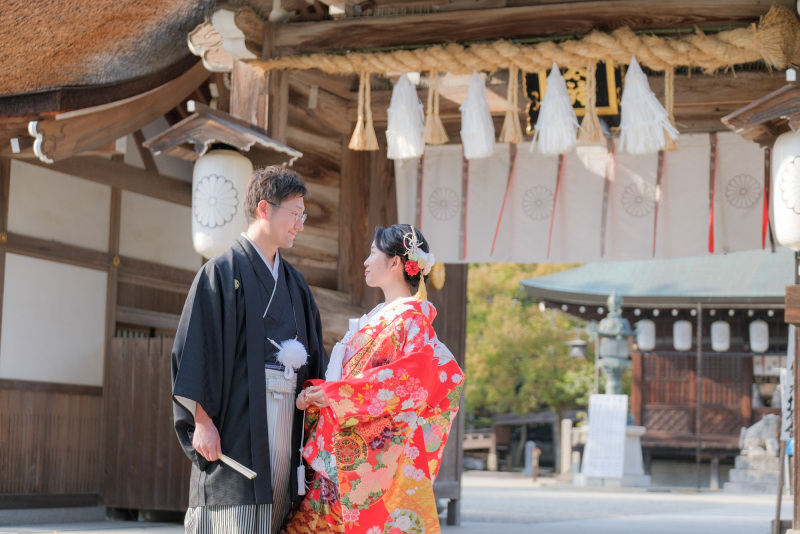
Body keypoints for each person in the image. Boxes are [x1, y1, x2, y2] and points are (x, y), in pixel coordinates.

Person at [172, 166, 328, 534]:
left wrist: (314, 396)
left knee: (279, 510)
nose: (300, 224)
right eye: (295, 213)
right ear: (264, 208)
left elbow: (314, 357)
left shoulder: (295, 283)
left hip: (287, 420)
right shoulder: (220, 273)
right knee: (235, 513)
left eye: (302, 216)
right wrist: (202, 421)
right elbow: (197, 350)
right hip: (238, 423)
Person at [283, 224, 464, 534]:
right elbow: (352, 377)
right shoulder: (380, 316)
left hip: (366, 453)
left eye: (372, 253)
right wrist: (320, 394)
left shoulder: (412, 318)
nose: (366, 261)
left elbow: (408, 383)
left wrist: (337, 395)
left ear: (395, 262)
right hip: (341, 445)